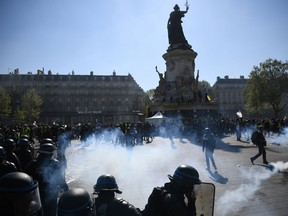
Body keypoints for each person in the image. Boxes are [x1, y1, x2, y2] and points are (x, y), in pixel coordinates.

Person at [25, 143, 69, 216]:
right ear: (48, 155)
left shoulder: (34, 163)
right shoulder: (35, 164)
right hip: (42, 194)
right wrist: (65, 188)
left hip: (44, 194)